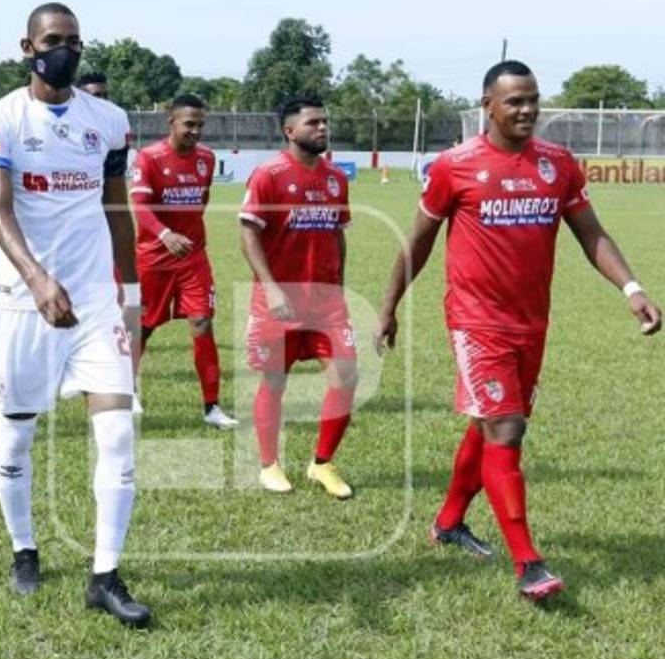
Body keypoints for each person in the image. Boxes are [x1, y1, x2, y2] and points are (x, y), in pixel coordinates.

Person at [375, 60, 662, 601]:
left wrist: (632, 288)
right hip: (475, 321)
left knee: (489, 423)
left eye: (533, 99)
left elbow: (591, 234)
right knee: (506, 429)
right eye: (515, 101)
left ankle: (448, 523)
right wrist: (388, 307)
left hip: (531, 322)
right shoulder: (455, 166)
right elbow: (418, 243)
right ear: (488, 106)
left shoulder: (558, 164)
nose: (528, 110)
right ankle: (529, 563)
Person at [0, 2, 150, 628]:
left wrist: (132, 294)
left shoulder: (109, 121)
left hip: (95, 302)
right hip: (27, 303)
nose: (65, 50)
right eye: (53, 40)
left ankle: (105, 575)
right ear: (28, 47)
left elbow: (116, 209)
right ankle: (24, 549)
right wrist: (37, 279)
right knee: (16, 435)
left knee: (118, 435)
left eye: (74, 40)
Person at [239, 96, 358, 499]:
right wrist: (270, 288)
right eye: (313, 123)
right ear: (290, 131)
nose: (322, 128)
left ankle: (322, 463)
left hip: (326, 303)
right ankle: (269, 465)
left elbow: (337, 233)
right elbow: (248, 235)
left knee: (346, 376)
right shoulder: (268, 175)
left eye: (324, 121)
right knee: (274, 380)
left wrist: (340, 283)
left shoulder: (336, 178)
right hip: (279, 303)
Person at [131, 94, 237, 428]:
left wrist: (187, 238)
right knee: (143, 327)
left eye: (200, 125)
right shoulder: (149, 158)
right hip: (153, 259)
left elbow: (201, 200)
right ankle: (127, 387)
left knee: (203, 323)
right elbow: (139, 206)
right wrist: (165, 235)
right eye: (189, 124)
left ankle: (212, 407)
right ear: (171, 122)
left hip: (193, 258)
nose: (196, 131)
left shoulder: (206, 158)